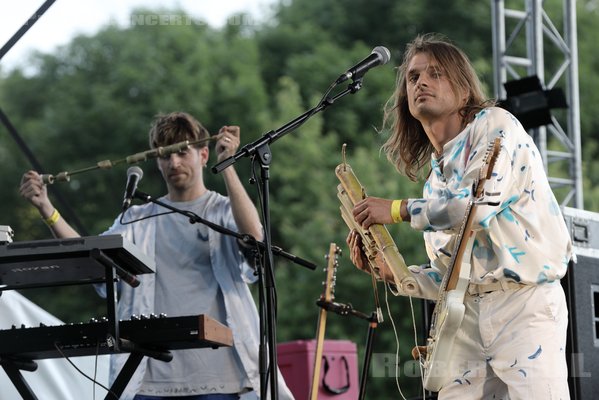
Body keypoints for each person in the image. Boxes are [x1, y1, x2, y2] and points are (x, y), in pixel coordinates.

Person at [346, 34, 572, 399]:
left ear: (464, 91)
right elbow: (451, 275)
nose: (421, 81)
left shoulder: (496, 125)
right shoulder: (434, 182)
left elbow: (474, 208)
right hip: (465, 315)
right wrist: (397, 275)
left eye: (436, 73)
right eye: (413, 76)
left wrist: (394, 209)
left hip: (523, 304)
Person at [20, 112, 294, 400]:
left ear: (203, 154)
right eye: (165, 156)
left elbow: (254, 236)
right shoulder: (138, 217)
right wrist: (47, 210)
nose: (173, 163)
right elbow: (91, 259)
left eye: (182, 152)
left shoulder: (222, 210)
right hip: (149, 381)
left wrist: (227, 165)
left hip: (220, 380)